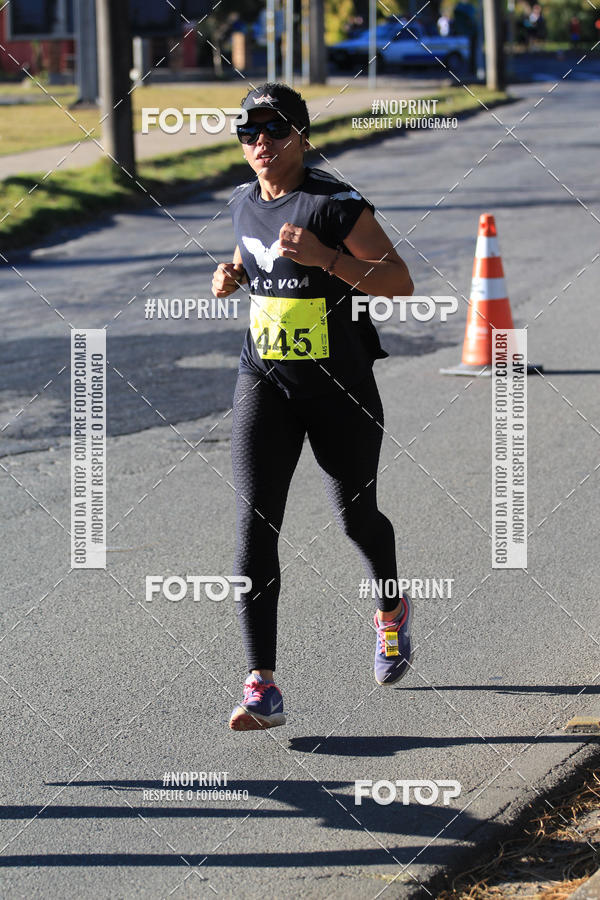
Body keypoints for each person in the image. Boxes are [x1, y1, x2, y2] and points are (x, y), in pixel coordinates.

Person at [211, 83, 415, 731]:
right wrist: (235, 271)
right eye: (249, 134)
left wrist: (327, 257)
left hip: (340, 390)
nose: (260, 144)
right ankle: (261, 684)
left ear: (301, 136)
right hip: (264, 380)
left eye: (274, 131)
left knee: (357, 518)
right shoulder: (244, 201)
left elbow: (398, 280)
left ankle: (391, 611)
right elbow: (258, 252)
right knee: (254, 524)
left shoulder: (336, 205)